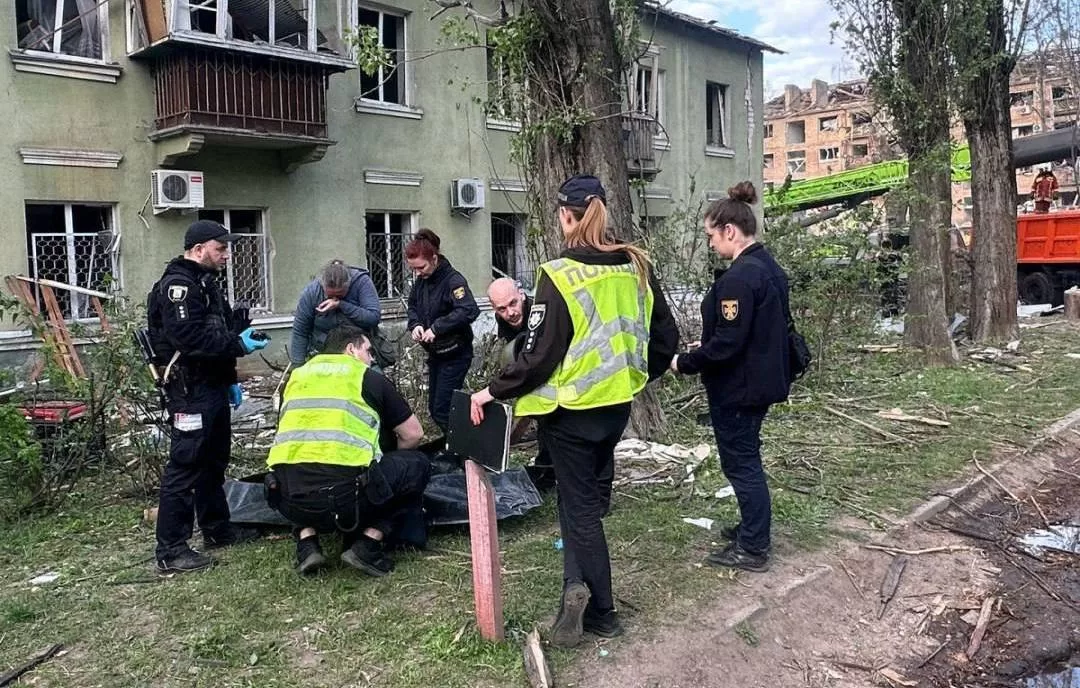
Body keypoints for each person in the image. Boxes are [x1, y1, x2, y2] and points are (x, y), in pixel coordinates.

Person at [469, 175, 678, 648]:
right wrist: (637, 375)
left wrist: (491, 391)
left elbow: (538, 356)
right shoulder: (636, 265)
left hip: (571, 416)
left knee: (582, 513)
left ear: (566, 216)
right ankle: (573, 586)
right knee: (578, 502)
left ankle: (603, 613)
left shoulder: (559, 273)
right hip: (615, 410)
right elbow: (665, 341)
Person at [669, 181, 792, 574]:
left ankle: (754, 546)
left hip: (739, 388)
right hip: (758, 380)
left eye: (710, 236)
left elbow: (728, 344)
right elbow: (747, 331)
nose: (710, 245)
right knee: (745, 461)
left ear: (729, 231)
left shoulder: (739, 278)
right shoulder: (767, 265)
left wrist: (685, 362)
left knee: (741, 464)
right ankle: (751, 528)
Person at [146, 219, 270, 574]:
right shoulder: (178, 287)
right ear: (198, 249)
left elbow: (220, 329)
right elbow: (191, 340)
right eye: (220, 248)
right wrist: (237, 345)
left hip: (211, 387)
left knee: (214, 461)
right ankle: (171, 550)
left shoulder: (206, 284)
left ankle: (217, 528)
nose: (226, 255)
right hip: (189, 391)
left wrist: (231, 375)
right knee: (186, 465)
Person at [266, 326, 431, 576]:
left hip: (288, 498)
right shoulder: (366, 377)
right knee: (416, 463)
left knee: (299, 464)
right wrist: (389, 465)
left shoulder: (296, 377)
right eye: (368, 351)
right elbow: (413, 434)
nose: (372, 358)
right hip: (346, 500)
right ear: (351, 350)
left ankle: (306, 543)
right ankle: (368, 544)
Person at [405, 228, 480, 432]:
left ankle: (466, 450)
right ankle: (458, 448)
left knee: (442, 409)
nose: (418, 273)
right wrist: (416, 325)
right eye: (414, 270)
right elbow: (412, 306)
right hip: (436, 355)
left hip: (455, 354)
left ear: (435, 258)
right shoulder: (421, 282)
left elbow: (469, 310)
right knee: (436, 409)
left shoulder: (453, 281)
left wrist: (437, 328)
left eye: (421, 267)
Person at [289, 260, 381, 367]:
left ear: (348, 285)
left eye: (340, 294)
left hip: (358, 349)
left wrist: (341, 305)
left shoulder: (362, 283)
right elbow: (300, 331)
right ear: (323, 286)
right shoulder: (312, 292)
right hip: (323, 351)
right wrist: (297, 365)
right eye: (330, 295)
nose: (334, 298)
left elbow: (373, 318)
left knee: (375, 380)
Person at [487, 277, 531, 342]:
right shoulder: (500, 317)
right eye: (502, 309)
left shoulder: (539, 312)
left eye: (513, 303)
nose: (510, 313)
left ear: (522, 295)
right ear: (494, 308)